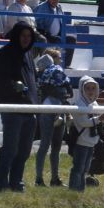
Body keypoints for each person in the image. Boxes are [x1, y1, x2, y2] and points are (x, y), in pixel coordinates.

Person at [0, 20, 39, 193]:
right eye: (23, 35)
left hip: (30, 110)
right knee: (10, 149)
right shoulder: (4, 54)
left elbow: (33, 82)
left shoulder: (28, 55)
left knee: (24, 150)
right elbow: (1, 81)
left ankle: (17, 182)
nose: (26, 39)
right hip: (12, 109)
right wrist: (14, 87)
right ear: (16, 36)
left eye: (29, 36)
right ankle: (2, 184)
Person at [32, 50, 73, 187]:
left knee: (45, 145)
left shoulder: (41, 76)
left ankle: (40, 179)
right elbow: (67, 90)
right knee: (55, 146)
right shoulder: (57, 72)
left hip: (47, 109)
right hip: (59, 109)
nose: (59, 60)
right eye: (57, 57)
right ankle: (53, 178)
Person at [68, 78, 104, 191]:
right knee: (78, 168)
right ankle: (74, 191)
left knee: (85, 169)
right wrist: (100, 118)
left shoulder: (94, 103)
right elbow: (84, 122)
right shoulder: (79, 103)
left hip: (90, 142)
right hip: (81, 142)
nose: (91, 91)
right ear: (82, 89)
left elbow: (98, 118)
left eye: (93, 88)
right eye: (88, 88)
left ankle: (80, 191)